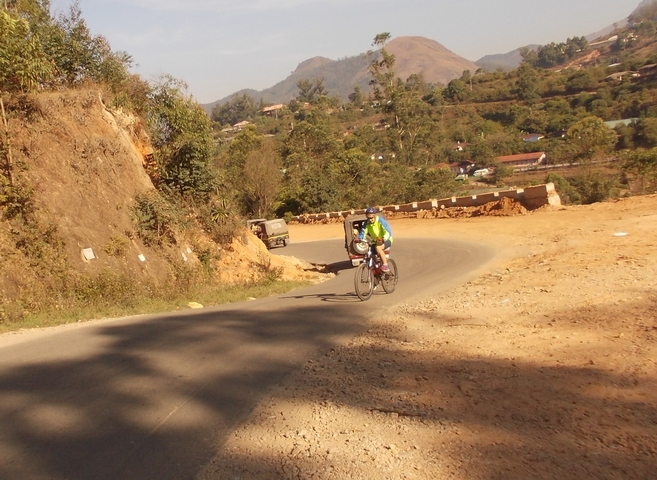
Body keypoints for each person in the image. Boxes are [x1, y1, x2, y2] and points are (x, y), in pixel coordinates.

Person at [358, 206, 393, 272]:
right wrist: (360, 239)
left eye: (371, 218)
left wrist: (383, 239)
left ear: (374, 216)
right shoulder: (367, 223)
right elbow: (363, 232)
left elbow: (388, 232)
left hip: (387, 239)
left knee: (378, 248)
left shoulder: (380, 221)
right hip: (375, 241)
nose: (370, 220)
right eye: (368, 218)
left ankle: (385, 265)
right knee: (370, 252)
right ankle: (377, 266)